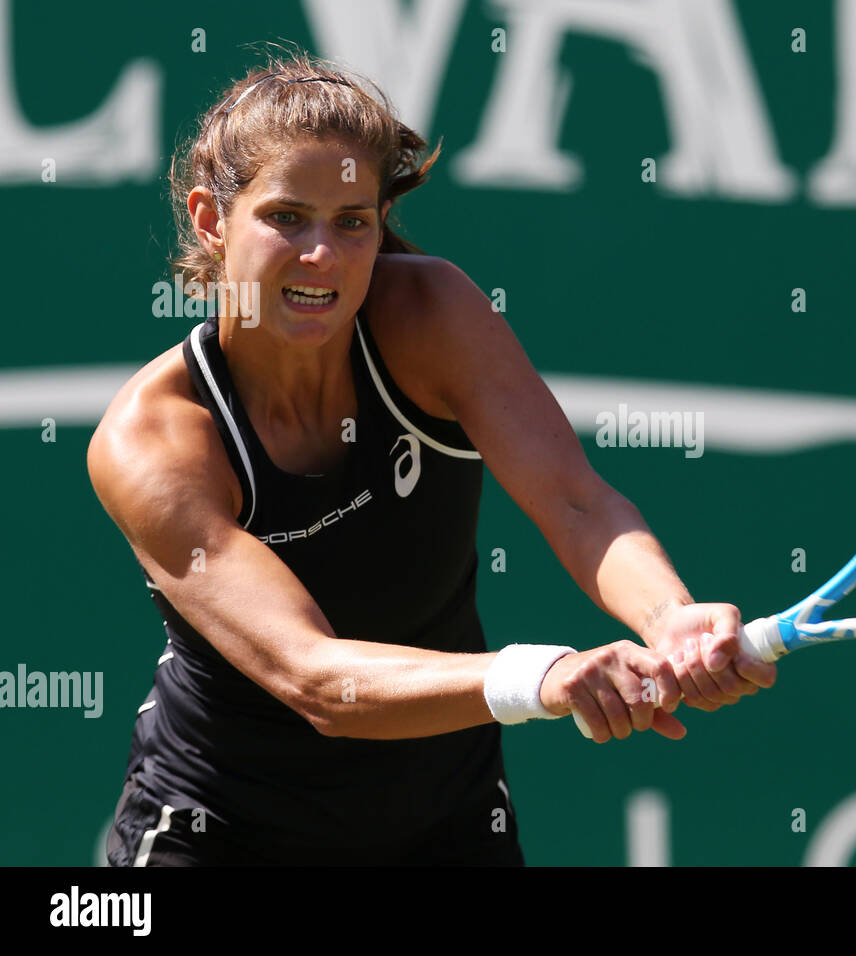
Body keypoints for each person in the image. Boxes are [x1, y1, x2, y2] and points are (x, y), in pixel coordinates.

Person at [89, 54, 776, 866]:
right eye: (287, 217)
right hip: (220, 832)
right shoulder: (154, 438)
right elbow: (315, 677)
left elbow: (576, 502)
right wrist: (543, 677)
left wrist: (671, 616)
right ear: (211, 220)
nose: (323, 256)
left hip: (445, 821)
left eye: (352, 221)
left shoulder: (433, 316)